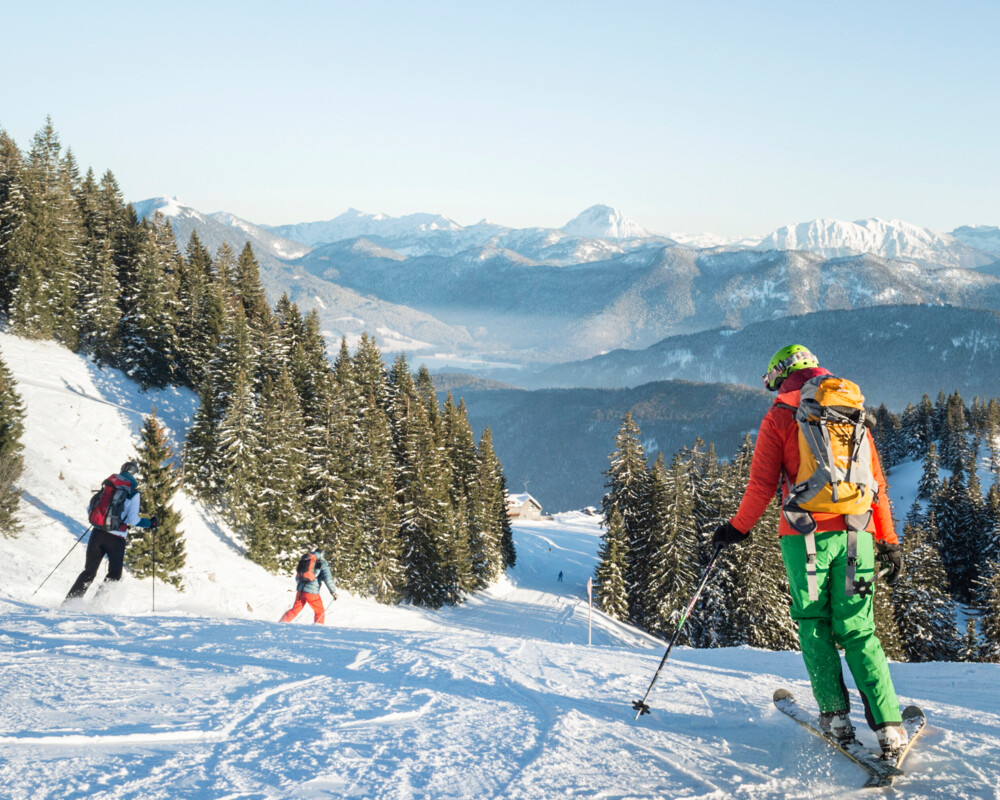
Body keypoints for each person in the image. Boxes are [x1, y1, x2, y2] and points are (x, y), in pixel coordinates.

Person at [712, 345, 908, 759]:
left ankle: (836, 717)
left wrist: (736, 529)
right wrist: (889, 541)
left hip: (805, 540)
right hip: (859, 536)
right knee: (859, 629)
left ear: (781, 377)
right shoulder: (851, 412)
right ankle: (890, 726)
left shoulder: (780, 417)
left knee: (814, 623)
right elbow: (877, 486)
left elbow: (763, 485)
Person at [65, 461, 158, 600]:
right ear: (135, 474)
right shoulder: (133, 493)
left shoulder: (109, 485)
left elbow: (90, 509)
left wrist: (102, 520)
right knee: (114, 574)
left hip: (97, 532)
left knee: (89, 571)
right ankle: (97, 605)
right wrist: (149, 523)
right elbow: (133, 520)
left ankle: (70, 602)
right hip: (116, 537)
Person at [280, 549, 337, 624]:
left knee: (295, 610)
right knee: (319, 612)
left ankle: (281, 623)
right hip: (312, 593)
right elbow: (328, 579)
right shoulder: (322, 563)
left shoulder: (306, 559)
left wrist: (300, 586)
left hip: (300, 591)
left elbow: (298, 577)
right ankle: (318, 630)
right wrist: (333, 591)